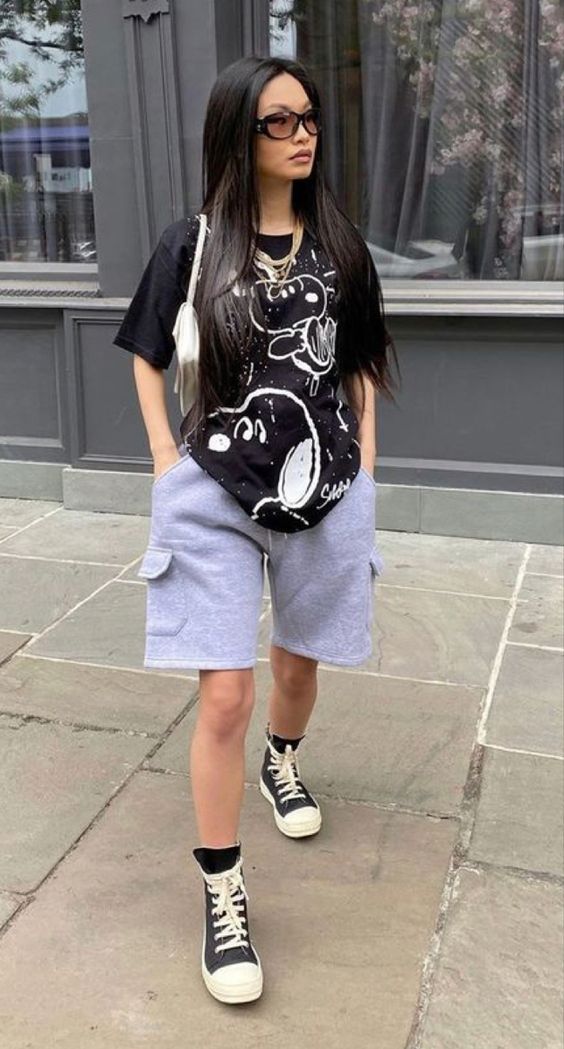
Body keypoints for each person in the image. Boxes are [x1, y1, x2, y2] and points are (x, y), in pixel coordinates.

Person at [113, 54, 399, 1006]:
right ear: (239, 133)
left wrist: (366, 465)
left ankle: (283, 761)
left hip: (325, 489)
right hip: (214, 494)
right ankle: (223, 888)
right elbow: (147, 353)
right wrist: (164, 457)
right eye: (279, 120)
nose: (302, 134)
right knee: (225, 694)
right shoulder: (193, 244)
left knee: (297, 668)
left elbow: (360, 361)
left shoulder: (341, 245)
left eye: (308, 117)